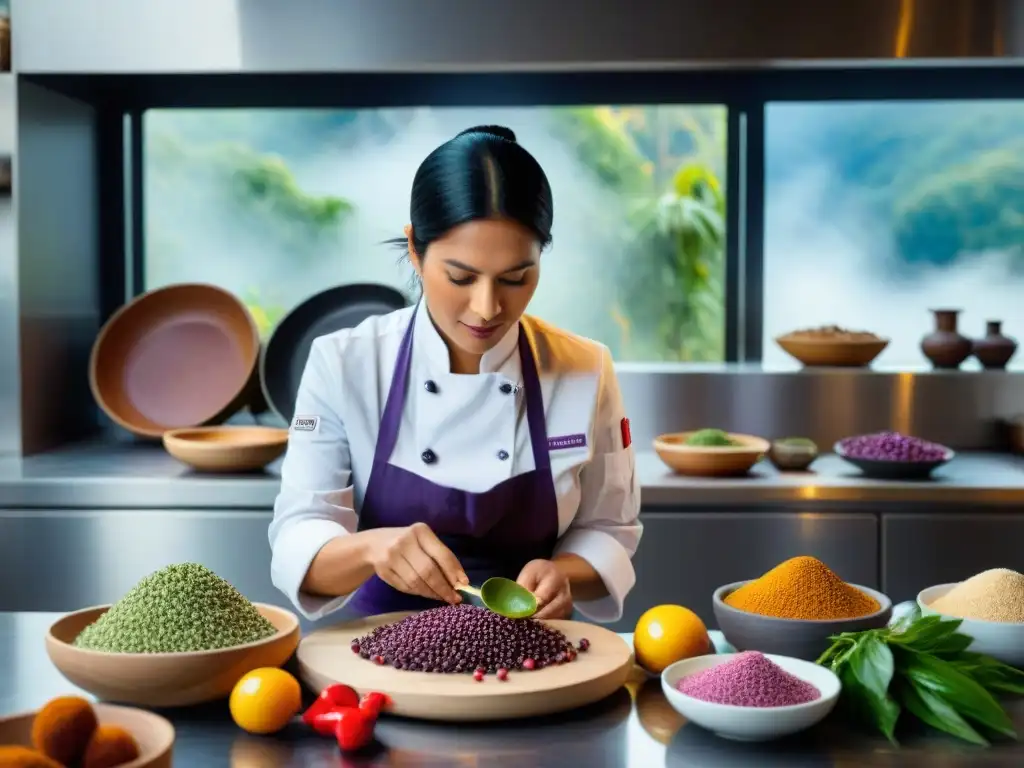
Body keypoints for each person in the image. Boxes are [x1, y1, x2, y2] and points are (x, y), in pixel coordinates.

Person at [268, 125, 642, 624]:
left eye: (516, 278)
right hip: (381, 651)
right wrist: (373, 551)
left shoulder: (584, 369)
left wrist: (564, 574)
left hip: (533, 652)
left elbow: (610, 528)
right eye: (461, 277)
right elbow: (298, 536)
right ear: (416, 251)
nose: (487, 308)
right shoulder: (345, 363)